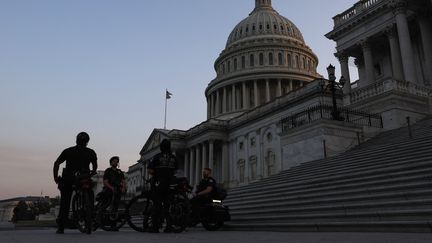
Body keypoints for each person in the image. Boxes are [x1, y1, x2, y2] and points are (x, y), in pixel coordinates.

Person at [53, 132, 97, 234]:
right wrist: (90, 175)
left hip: (69, 177)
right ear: (87, 142)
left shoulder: (68, 151)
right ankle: (89, 216)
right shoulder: (91, 152)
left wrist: (55, 177)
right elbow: (95, 168)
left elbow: (56, 163)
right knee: (90, 196)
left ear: (76, 140)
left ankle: (61, 227)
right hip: (84, 176)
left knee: (65, 202)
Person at [147, 139, 178, 233]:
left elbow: (150, 170)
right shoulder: (173, 157)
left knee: (157, 204)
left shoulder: (157, 157)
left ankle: (155, 227)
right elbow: (176, 170)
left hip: (159, 183)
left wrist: (156, 173)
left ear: (161, 147)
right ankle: (169, 226)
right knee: (168, 205)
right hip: (170, 183)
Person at [101, 156, 126, 231]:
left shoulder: (119, 171)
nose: (115, 162)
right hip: (109, 189)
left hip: (118, 190)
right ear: (111, 162)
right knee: (107, 205)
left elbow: (123, 181)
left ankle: (113, 225)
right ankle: (102, 220)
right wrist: (111, 188)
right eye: (114, 161)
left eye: (116, 161)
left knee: (115, 207)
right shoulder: (108, 171)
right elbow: (105, 182)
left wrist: (123, 187)